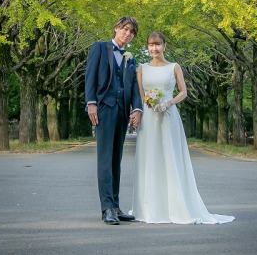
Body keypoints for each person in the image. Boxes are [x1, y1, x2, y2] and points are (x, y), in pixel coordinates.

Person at [130, 32, 234, 224]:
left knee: (170, 157)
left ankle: (175, 205)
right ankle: (149, 207)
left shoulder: (174, 67)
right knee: (149, 158)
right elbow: (139, 93)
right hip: (149, 117)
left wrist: (167, 103)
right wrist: (144, 107)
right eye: (151, 45)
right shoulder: (141, 69)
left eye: (158, 44)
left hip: (168, 116)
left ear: (164, 46)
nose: (154, 49)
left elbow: (184, 92)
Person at [85, 16, 143, 224]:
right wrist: (91, 102)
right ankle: (106, 208)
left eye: (131, 32)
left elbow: (134, 86)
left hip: (122, 111)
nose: (127, 34)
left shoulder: (131, 58)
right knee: (105, 159)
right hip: (104, 108)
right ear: (116, 28)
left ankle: (116, 206)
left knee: (116, 160)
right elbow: (90, 76)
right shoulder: (99, 48)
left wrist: (137, 108)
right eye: (124, 29)